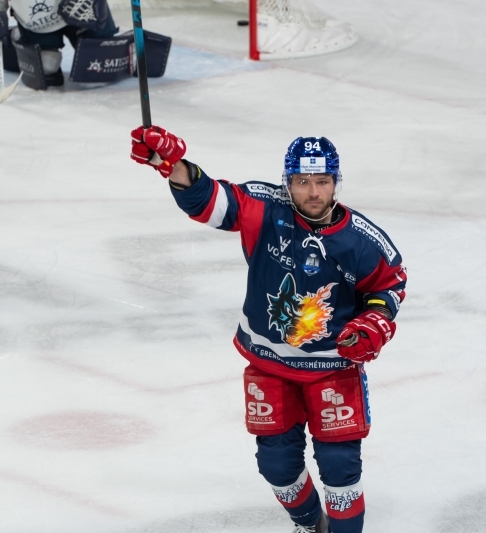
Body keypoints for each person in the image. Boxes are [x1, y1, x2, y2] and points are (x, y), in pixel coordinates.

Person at [130, 126, 407, 533]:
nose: (313, 192)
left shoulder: (360, 240)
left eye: (322, 182)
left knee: (339, 469)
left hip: (332, 368)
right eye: (302, 182)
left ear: (336, 183)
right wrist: (171, 164)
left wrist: (374, 322)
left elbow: (390, 285)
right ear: (287, 182)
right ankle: (311, 525)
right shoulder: (264, 208)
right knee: (276, 466)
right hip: (269, 363)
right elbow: (209, 199)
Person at [0, 0, 118, 86]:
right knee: (47, 65)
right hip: (38, 25)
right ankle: (16, 40)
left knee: (101, 60)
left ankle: (131, 53)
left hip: (82, 9)